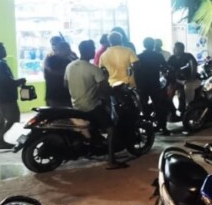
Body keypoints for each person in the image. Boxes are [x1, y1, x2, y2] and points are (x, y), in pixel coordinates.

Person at [65, 39, 124, 169]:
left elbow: (65, 84)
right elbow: (105, 89)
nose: (94, 51)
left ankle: (95, 141)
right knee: (111, 129)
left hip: (76, 105)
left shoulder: (70, 66)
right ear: (88, 51)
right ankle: (111, 161)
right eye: (92, 48)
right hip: (90, 106)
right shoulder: (93, 69)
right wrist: (115, 91)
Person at [0, 42, 26, 149]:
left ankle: (1, 140)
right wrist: (20, 81)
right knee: (13, 118)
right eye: (3, 49)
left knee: (1, 119)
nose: (5, 51)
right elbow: (7, 81)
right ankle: (0, 139)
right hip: (6, 97)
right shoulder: (0, 64)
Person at [136, 37, 170, 134]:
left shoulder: (139, 56)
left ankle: (148, 127)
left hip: (142, 85)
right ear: (153, 45)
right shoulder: (158, 56)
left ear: (144, 45)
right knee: (159, 106)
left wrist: (137, 85)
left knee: (144, 106)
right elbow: (165, 67)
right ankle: (163, 127)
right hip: (155, 84)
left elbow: (136, 71)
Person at [167, 42, 200, 118]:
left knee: (183, 94)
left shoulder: (188, 56)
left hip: (186, 80)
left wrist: (191, 78)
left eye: (175, 48)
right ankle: (172, 112)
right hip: (175, 80)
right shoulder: (172, 58)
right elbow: (167, 66)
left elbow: (193, 66)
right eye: (174, 48)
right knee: (168, 95)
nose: (173, 49)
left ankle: (186, 111)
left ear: (181, 49)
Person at [43, 35, 76, 107]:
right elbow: (54, 72)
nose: (54, 46)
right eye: (53, 44)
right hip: (54, 97)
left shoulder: (69, 59)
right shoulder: (50, 60)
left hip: (67, 96)